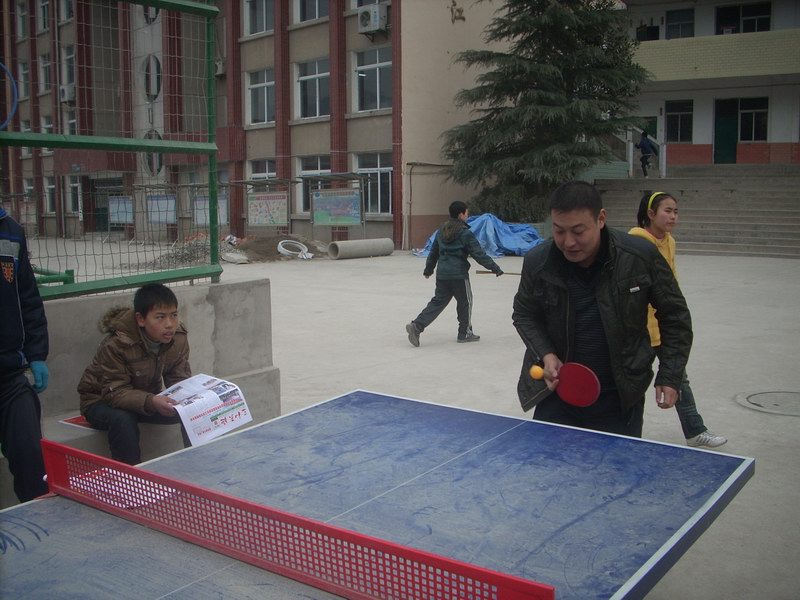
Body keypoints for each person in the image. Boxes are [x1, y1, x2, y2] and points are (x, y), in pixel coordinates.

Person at [512, 181, 693, 437]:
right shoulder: (538, 261)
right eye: (559, 231)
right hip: (557, 393)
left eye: (578, 231)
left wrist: (670, 374)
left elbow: (675, 316)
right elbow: (524, 313)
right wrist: (547, 353)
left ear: (601, 219)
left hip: (620, 398)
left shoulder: (639, 256)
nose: (568, 242)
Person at [629, 191, 727, 448]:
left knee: (678, 378)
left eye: (675, 211)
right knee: (632, 384)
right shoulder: (635, 244)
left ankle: (695, 431)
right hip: (638, 330)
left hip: (665, 328)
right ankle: (625, 436)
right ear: (651, 214)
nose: (673, 216)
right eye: (667, 211)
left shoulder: (670, 241)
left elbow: (670, 288)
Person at [77, 283, 192, 464]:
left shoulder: (178, 338)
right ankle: (130, 475)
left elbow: (179, 378)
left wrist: (190, 397)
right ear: (141, 319)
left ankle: (198, 460)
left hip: (145, 398)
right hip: (101, 401)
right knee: (123, 419)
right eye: (160, 317)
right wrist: (151, 401)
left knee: (191, 409)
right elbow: (115, 392)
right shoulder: (116, 344)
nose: (169, 324)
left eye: (174, 315)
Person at [0, 206, 50, 503]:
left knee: (32, 458)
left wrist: (37, 353)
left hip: (9, 375)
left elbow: (28, 297)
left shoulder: (10, 231)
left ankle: (39, 521)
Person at [406, 201, 503, 346]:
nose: (467, 215)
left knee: (438, 302)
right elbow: (479, 254)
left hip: (442, 274)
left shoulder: (441, 230)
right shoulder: (465, 233)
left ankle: (417, 325)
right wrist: (495, 268)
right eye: (466, 213)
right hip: (459, 275)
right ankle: (464, 333)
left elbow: (433, 252)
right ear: (461, 214)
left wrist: (428, 270)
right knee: (465, 302)